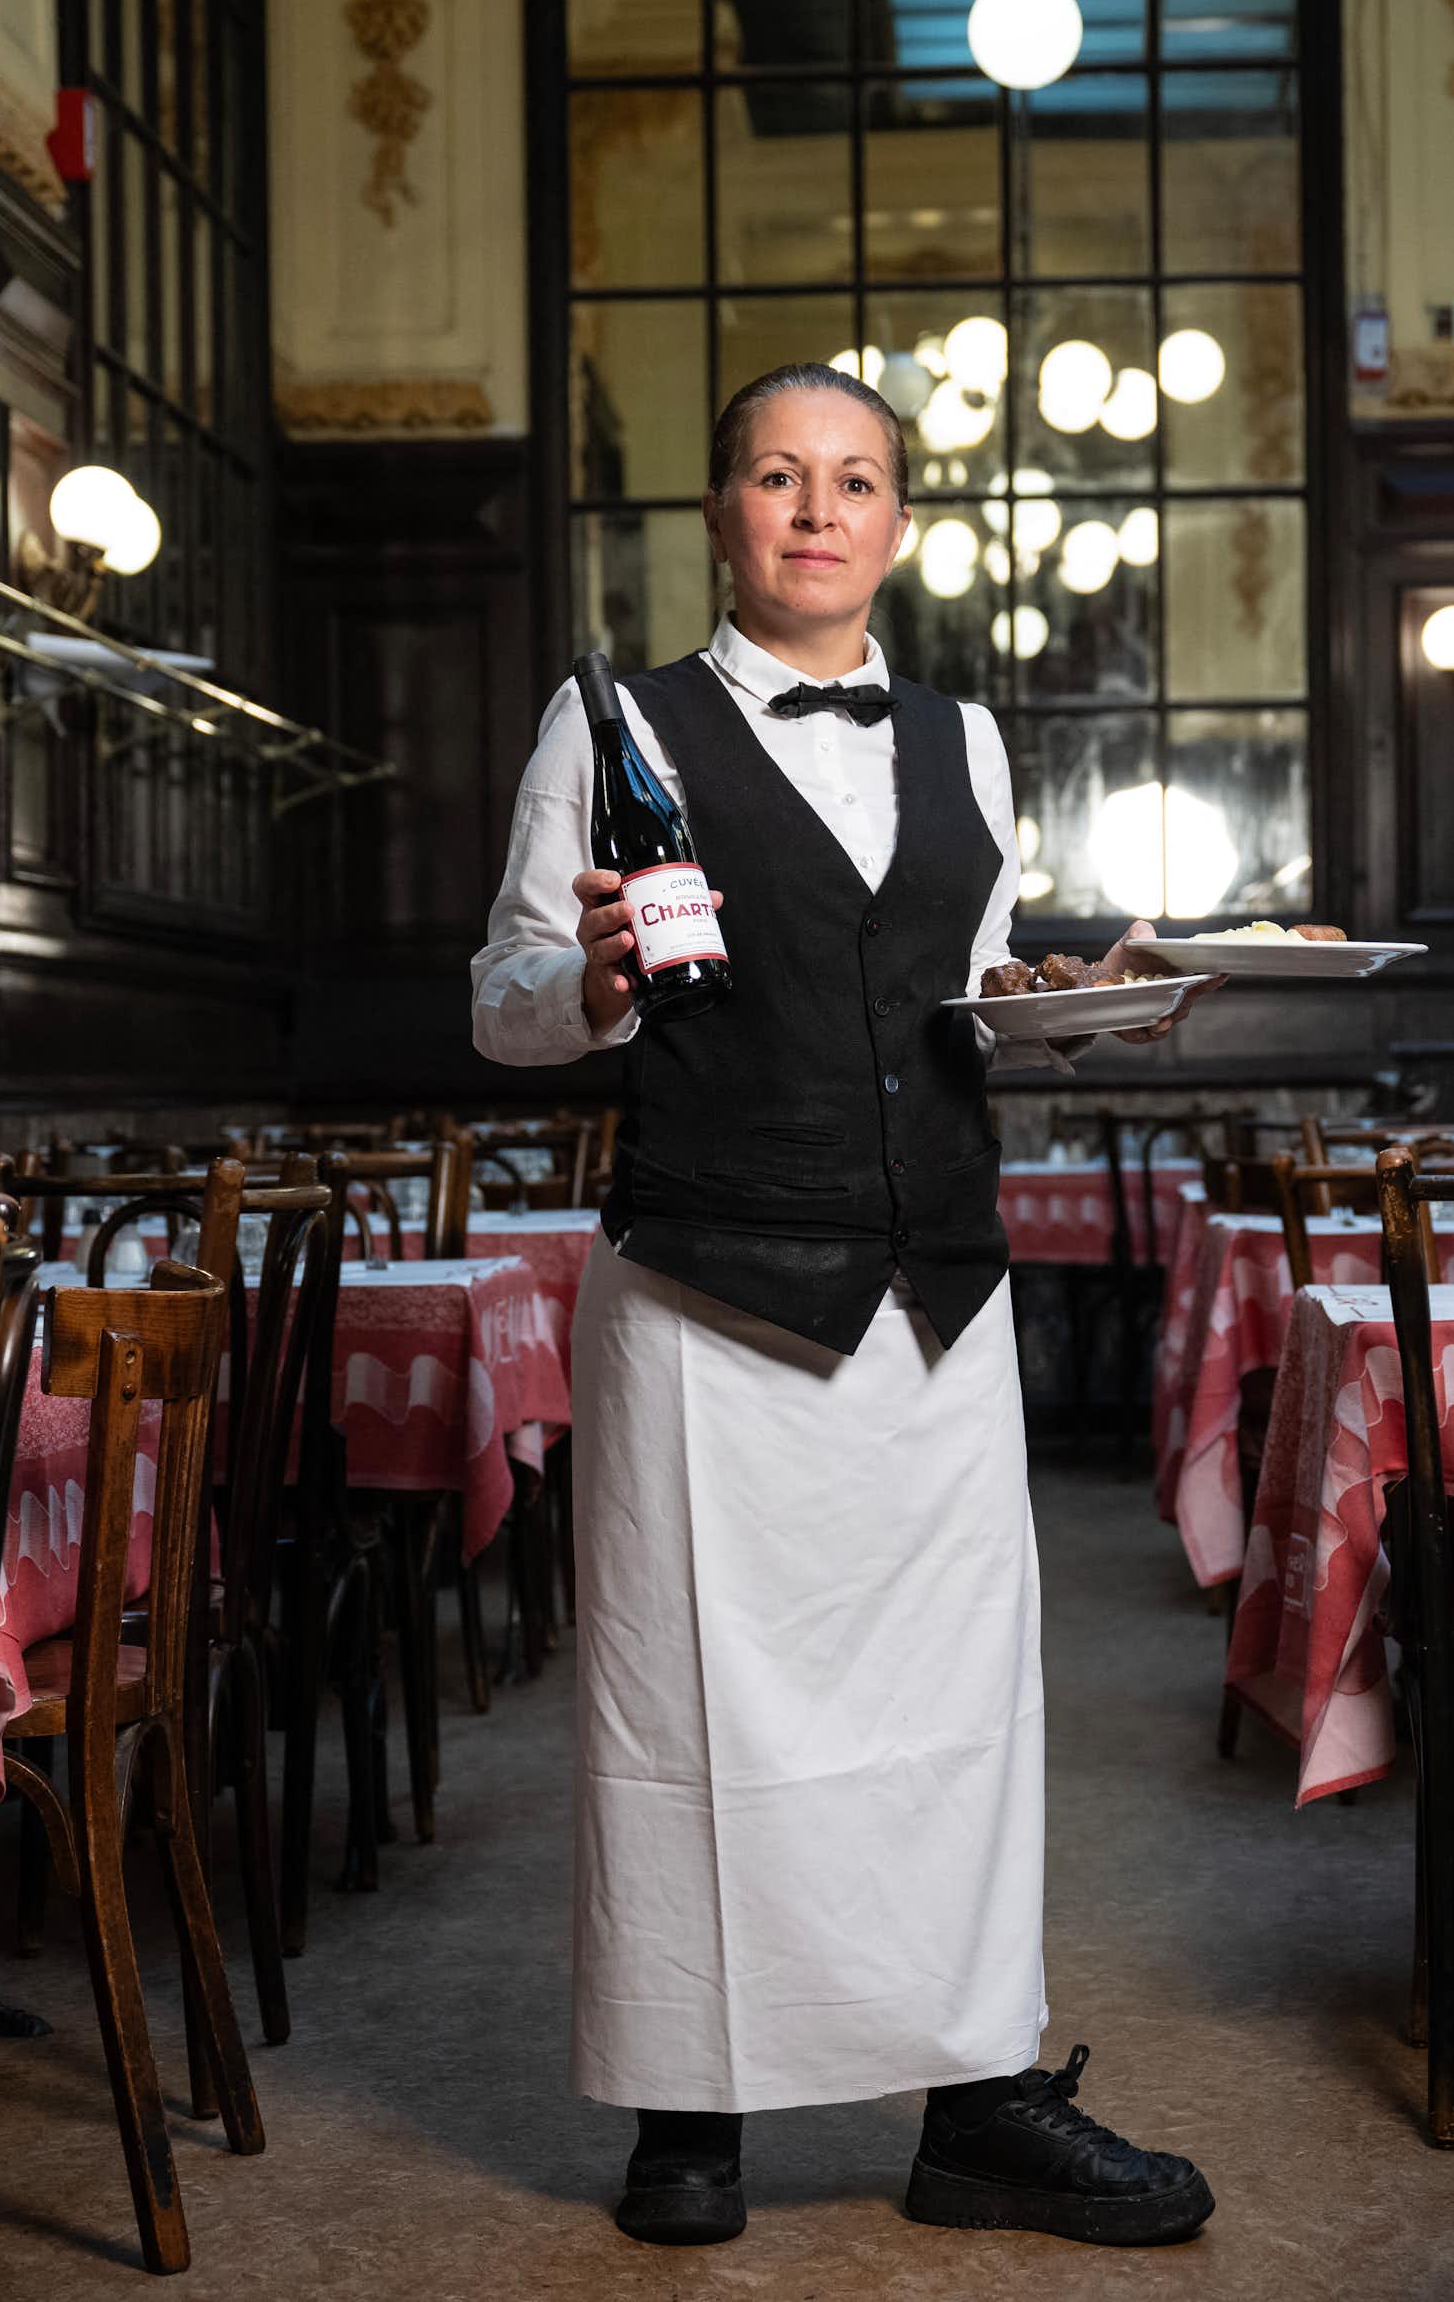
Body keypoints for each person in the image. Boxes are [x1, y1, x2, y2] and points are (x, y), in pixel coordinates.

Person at [469, 362, 1219, 2251]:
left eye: (859, 481)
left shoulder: (966, 737)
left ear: (899, 523)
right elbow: (504, 997)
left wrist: (1081, 994)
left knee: (959, 1718)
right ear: (721, 513)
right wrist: (604, 985)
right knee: (686, 1710)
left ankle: (977, 2098)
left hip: (932, 1301)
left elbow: (950, 989)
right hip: (708, 1298)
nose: (820, 510)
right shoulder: (609, 721)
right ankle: (686, 2114)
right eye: (781, 478)